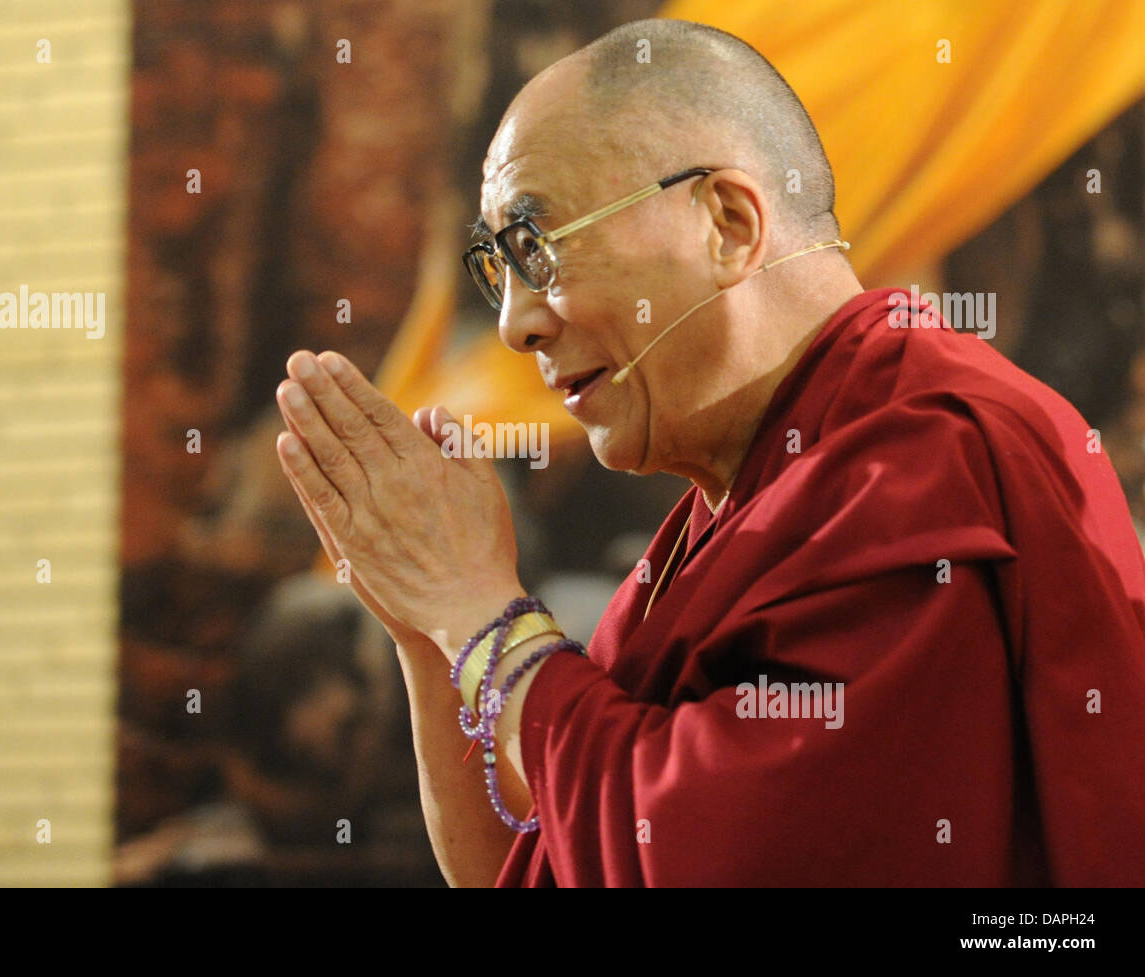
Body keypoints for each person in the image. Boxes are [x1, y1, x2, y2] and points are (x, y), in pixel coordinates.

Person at [274, 19, 1145, 886]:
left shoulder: (928, 449)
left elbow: (723, 858)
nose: (516, 325)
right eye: (498, 268)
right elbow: (548, 864)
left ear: (727, 223)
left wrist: (482, 617)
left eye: (541, 248)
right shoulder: (726, 516)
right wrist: (432, 629)